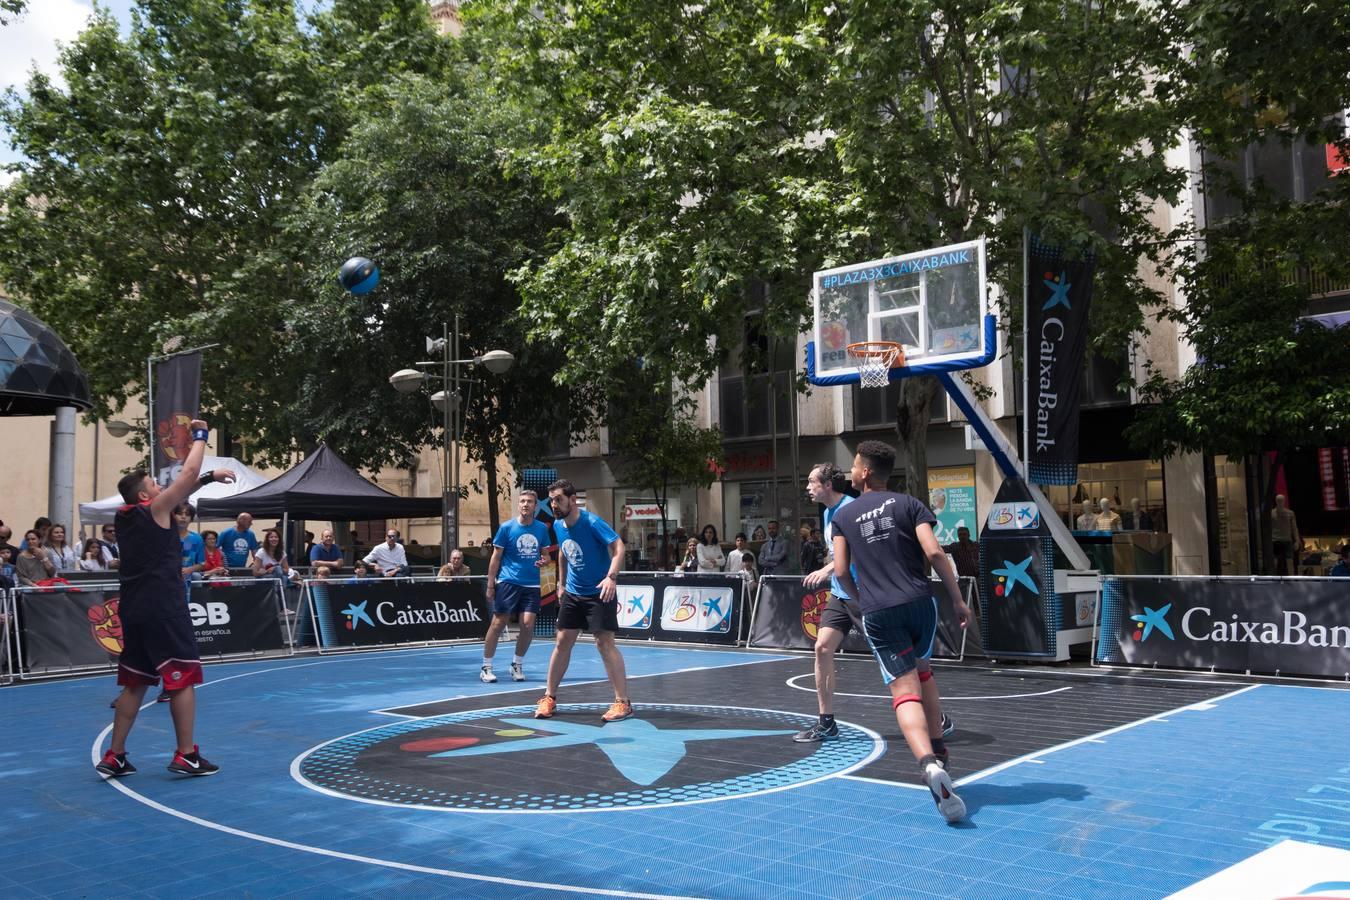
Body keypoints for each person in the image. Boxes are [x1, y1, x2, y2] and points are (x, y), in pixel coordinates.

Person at [832, 440, 972, 824]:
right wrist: (958, 600)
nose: (851, 471)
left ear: (864, 472)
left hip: (879, 611)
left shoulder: (843, 516)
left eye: (854, 465)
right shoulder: (910, 505)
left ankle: (928, 765)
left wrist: (862, 602)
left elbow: (841, 571)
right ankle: (940, 749)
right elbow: (935, 553)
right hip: (919, 603)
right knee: (923, 672)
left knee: (903, 690)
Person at [96, 417, 234, 779]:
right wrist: (201, 437)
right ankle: (186, 754)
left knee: (136, 681)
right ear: (145, 496)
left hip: (135, 609)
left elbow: (184, 488)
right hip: (163, 608)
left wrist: (207, 479)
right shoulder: (154, 510)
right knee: (183, 678)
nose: (161, 487)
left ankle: (115, 754)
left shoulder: (125, 518)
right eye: (155, 484)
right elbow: (185, 477)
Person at [534, 479, 632, 722]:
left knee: (604, 643)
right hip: (574, 593)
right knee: (562, 641)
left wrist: (612, 577)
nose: (554, 505)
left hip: (599, 591)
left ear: (572, 499)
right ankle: (549, 697)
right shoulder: (558, 525)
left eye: (559, 499)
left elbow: (619, 547)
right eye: (552, 500)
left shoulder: (592, 522)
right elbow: (565, 554)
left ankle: (623, 703)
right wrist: (561, 583)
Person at [482, 489, 552, 684]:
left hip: (532, 585)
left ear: (535, 506)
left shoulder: (541, 529)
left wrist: (544, 561)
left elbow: (547, 555)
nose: (525, 504)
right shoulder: (506, 528)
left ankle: (516, 664)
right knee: (498, 623)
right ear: (518, 504)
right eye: (522, 501)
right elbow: (496, 558)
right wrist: (490, 584)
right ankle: (486, 666)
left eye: (529, 501)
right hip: (508, 582)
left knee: (528, 625)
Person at [175, 504, 206, 586]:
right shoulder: (165, 537)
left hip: (187, 581)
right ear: (173, 516)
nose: (183, 517)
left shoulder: (196, 539)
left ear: (191, 519)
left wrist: (190, 569)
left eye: (187, 514)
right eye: (180, 513)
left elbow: (202, 564)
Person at [1272, 494, 1301, 576]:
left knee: (1290, 561)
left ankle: (1291, 579)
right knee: (1274, 561)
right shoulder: (1271, 513)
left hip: (1287, 540)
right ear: (1276, 502)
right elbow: (1268, 529)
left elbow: (1294, 528)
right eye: (1278, 501)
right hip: (1275, 540)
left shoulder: (1290, 513)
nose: (1280, 502)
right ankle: (1274, 579)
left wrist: (1297, 541)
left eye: (1281, 501)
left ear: (1284, 501)